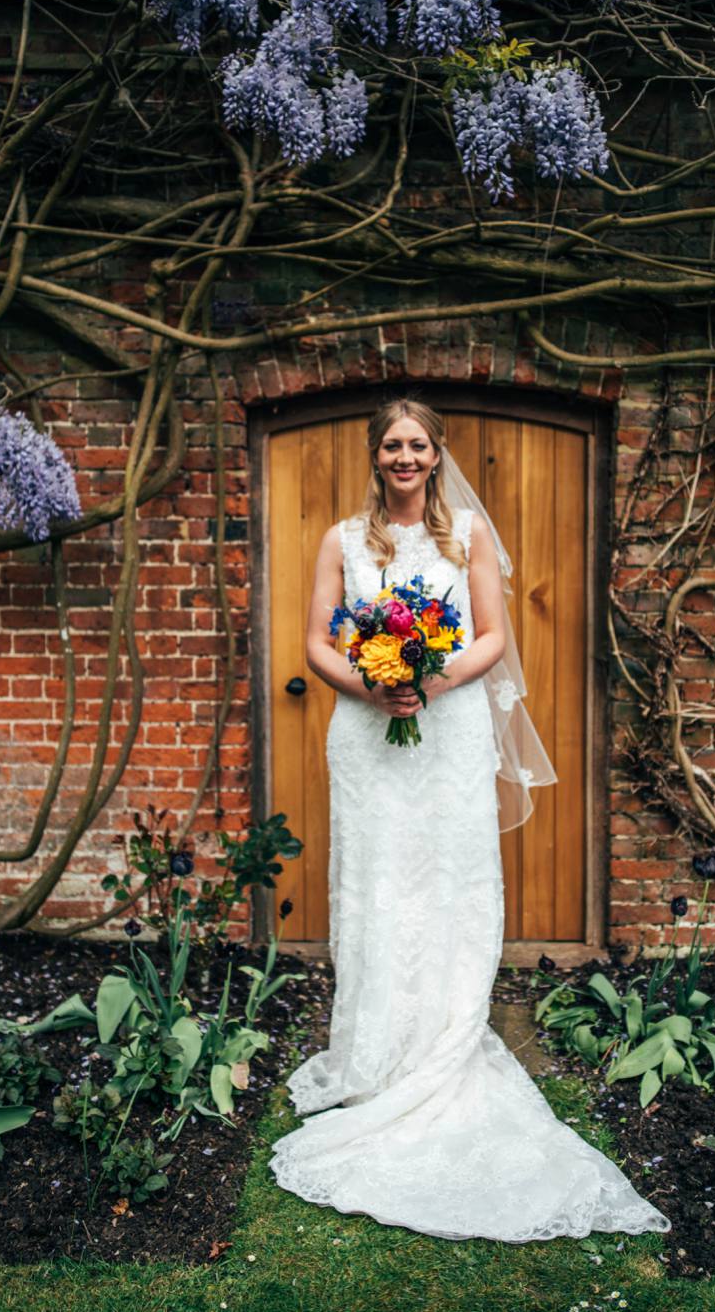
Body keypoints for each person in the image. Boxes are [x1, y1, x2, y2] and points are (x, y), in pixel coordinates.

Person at [266, 396, 672, 1241]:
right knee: (375, 881)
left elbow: (492, 635)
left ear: (436, 454)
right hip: (366, 737)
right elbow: (314, 642)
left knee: (447, 880)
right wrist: (370, 683)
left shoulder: (467, 540)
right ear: (375, 457)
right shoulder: (342, 539)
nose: (405, 457)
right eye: (392, 445)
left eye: (417, 445)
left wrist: (435, 678)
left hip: (447, 733)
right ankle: (375, 1050)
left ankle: (445, 1039)